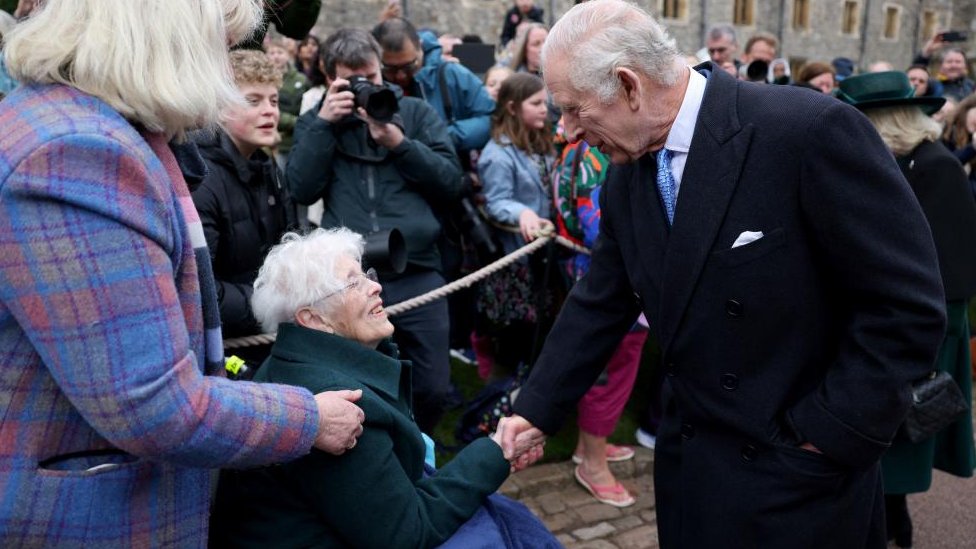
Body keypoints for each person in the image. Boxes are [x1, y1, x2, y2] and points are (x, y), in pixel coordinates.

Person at [496, 1, 946, 547]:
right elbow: (602, 299)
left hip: (800, 480)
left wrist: (825, 437)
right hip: (692, 471)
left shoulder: (807, 131)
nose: (565, 131)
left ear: (629, 86)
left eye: (574, 110)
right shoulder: (626, 175)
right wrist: (536, 408)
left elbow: (905, 304)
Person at [0, 1, 366, 546]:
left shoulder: (98, 128)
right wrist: (308, 418)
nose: (227, 66)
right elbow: (151, 403)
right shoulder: (76, 151)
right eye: (223, 43)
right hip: (83, 520)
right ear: (173, 38)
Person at [209, 228, 557, 548]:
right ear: (313, 319)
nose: (375, 286)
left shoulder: (299, 362)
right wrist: (496, 451)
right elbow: (406, 534)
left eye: (366, 276)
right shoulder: (339, 403)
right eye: (352, 283)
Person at [286, 28, 462, 434]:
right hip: (351, 281)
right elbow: (300, 187)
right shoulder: (319, 122)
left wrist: (400, 143)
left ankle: (422, 452)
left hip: (418, 271)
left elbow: (451, 183)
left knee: (433, 386)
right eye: (355, 80)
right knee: (363, 388)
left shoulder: (415, 113)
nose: (368, 88)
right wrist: (324, 126)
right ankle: (387, 460)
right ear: (332, 80)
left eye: (374, 78)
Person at [838, 70, 976, 549]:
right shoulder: (901, 162)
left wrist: (923, 346)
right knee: (884, 444)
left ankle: (894, 527)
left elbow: (950, 268)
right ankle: (887, 521)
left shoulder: (935, 167)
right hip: (892, 324)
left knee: (903, 439)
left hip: (925, 333)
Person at [551, 117, 648, 508]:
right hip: (611, 284)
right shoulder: (598, 157)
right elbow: (601, 229)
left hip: (588, 275)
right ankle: (592, 463)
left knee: (609, 369)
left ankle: (590, 446)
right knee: (608, 373)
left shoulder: (573, 151)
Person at [191, 49, 298, 366]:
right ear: (221, 109)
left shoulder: (268, 168)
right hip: (226, 346)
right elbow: (199, 289)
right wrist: (274, 304)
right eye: (254, 101)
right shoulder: (201, 181)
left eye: (274, 101)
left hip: (265, 334)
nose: (270, 112)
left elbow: (288, 244)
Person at [476, 73, 556, 380]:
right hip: (515, 265)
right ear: (511, 107)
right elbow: (496, 201)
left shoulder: (539, 144)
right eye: (535, 103)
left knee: (537, 339)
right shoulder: (498, 154)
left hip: (541, 259)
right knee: (510, 344)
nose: (543, 109)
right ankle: (492, 410)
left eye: (544, 102)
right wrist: (522, 213)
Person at [372, 17, 496, 155]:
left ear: (421, 47)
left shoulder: (452, 75)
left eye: (409, 66)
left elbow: (491, 119)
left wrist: (444, 136)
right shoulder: (369, 82)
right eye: (391, 68)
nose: (401, 76)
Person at [266, 35, 309, 164]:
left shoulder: (301, 80)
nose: (276, 56)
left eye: (280, 52)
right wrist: (295, 122)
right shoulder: (263, 81)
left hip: (298, 141)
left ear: (287, 55)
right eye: (272, 53)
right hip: (273, 142)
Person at [914, 34, 975, 102]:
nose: (953, 65)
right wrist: (927, 51)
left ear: (965, 66)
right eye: (949, 62)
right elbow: (916, 73)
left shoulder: (972, 88)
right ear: (941, 66)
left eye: (958, 62)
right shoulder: (932, 86)